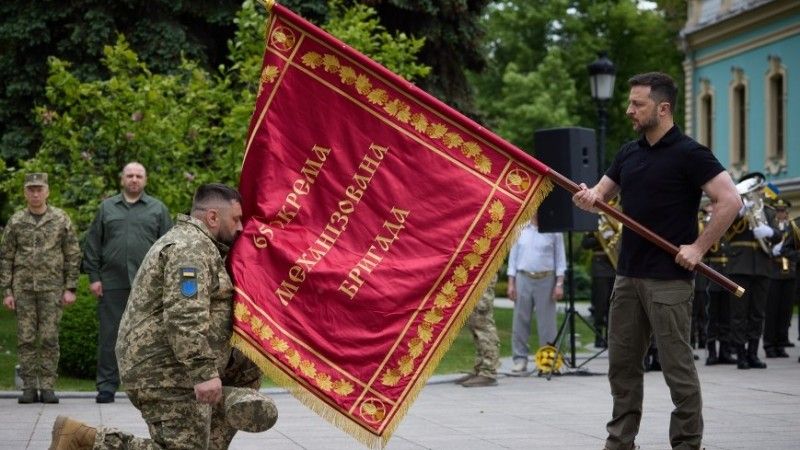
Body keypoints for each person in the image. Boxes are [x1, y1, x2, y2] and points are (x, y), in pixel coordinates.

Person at [572, 72, 741, 450]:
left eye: (638, 104)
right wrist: (587, 196)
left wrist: (698, 248)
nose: (630, 110)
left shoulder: (690, 153)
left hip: (669, 280)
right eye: (630, 102)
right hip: (628, 276)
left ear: (663, 109)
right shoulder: (628, 153)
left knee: (677, 370)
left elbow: (730, 200)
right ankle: (619, 442)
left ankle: (685, 445)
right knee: (622, 368)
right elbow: (601, 192)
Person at [50, 183, 277, 449]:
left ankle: (226, 395)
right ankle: (86, 439)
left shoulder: (200, 245)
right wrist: (203, 373)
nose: (240, 227)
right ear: (213, 217)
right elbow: (184, 317)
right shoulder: (189, 249)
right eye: (236, 219)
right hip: (164, 370)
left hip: (174, 366)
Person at [83, 162, 172, 403]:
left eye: (139, 176)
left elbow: (168, 247)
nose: (134, 179)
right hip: (112, 283)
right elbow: (93, 246)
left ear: (145, 180)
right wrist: (94, 278)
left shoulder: (158, 209)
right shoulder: (106, 208)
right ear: (122, 179)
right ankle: (106, 386)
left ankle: (147, 385)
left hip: (149, 286)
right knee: (110, 337)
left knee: (149, 336)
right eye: (130, 175)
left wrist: (165, 281)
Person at [0, 173, 81, 404]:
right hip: (23, 289)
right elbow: (5, 257)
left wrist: (71, 287)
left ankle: (47, 386)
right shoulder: (16, 221)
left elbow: (72, 254)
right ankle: (28, 387)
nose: (35, 193)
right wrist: (7, 291)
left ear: (47, 191)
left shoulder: (60, 219)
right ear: (25, 193)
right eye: (31, 189)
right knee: (25, 338)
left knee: (49, 338)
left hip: (52, 289)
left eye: (39, 189)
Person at [722, 172, 781, 369]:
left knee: (757, 313)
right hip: (740, 267)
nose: (755, 193)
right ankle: (740, 354)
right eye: (752, 189)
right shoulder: (735, 210)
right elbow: (726, 232)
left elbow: (780, 235)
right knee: (739, 313)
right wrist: (740, 213)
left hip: (762, 267)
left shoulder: (769, 211)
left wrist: (770, 232)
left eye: (757, 189)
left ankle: (753, 353)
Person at [506, 213, 566, 374]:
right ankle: (519, 360)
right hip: (523, 277)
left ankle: (548, 361)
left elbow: (560, 259)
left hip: (546, 278)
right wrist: (511, 283)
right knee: (520, 321)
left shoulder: (554, 231)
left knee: (547, 323)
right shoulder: (520, 229)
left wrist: (559, 284)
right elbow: (513, 258)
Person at [699, 203, 735, 366]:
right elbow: (709, 248)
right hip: (713, 271)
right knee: (712, 314)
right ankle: (712, 351)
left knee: (726, 315)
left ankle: (725, 351)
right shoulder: (705, 224)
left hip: (728, 271)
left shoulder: (731, 223)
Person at [763, 199, 797, 358]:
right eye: (778, 210)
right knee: (772, 311)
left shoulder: (792, 226)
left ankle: (781, 343)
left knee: (785, 311)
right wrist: (772, 250)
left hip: (789, 272)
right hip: (773, 271)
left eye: (783, 210)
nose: (781, 213)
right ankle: (769, 344)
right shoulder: (770, 227)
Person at [455, 274, 501, 387]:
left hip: (482, 277)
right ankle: (480, 368)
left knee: (482, 323)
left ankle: (488, 371)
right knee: (475, 323)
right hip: (475, 276)